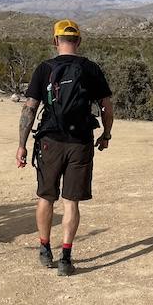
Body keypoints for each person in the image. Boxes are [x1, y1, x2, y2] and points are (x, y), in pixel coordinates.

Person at [16, 19, 113, 276]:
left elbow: (30, 108)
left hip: (49, 142)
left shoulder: (44, 68)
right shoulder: (90, 68)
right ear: (78, 41)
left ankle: (45, 249)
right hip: (80, 142)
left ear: (55, 40)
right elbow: (106, 105)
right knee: (71, 202)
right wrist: (106, 133)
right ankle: (66, 258)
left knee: (46, 197)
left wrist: (21, 145)